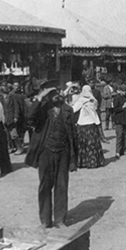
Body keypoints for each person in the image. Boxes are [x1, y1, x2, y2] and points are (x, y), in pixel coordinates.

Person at [25, 84, 78, 229]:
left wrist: (74, 157)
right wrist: (40, 97)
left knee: (61, 185)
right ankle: (45, 221)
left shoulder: (68, 109)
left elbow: (73, 134)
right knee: (45, 186)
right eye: (52, 92)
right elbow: (29, 117)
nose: (56, 95)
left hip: (63, 152)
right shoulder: (42, 109)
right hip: (45, 152)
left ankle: (60, 220)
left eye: (57, 91)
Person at [71, 85, 105, 169]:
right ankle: (94, 161)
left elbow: (73, 109)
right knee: (92, 143)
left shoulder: (80, 101)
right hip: (91, 124)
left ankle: (83, 162)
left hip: (82, 124)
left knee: (82, 144)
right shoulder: (94, 100)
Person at [0, 94, 13, 176]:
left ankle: (4, 167)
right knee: (2, 148)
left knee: (0, 147)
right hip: (0, 125)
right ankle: (5, 167)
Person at [0, 80, 16, 153]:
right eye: (3, 86)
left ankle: (18, 146)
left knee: (14, 134)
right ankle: (9, 147)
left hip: (11, 117)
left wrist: (15, 116)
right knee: (6, 134)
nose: (5, 88)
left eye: (6, 86)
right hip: (3, 117)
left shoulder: (11, 96)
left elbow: (15, 107)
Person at [113, 84, 126, 159]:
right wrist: (122, 107)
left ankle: (124, 149)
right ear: (119, 91)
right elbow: (115, 109)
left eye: (125, 91)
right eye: (123, 91)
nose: (125, 92)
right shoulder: (116, 98)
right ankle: (117, 151)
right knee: (119, 135)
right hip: (119, 119)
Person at [11, 81, 27, 154]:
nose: (16, 87)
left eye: (18, 86)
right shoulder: (11, 95)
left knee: (21, 130)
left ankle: (21, 145)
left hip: (22, 115)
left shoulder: (22, 95)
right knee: (15, 131)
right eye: (15, 86)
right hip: (15, 115)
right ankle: (15, 146)